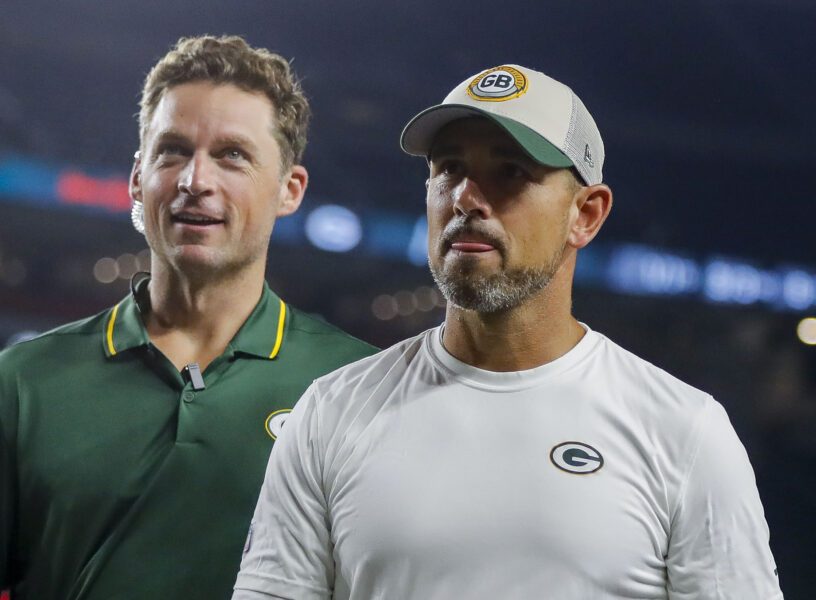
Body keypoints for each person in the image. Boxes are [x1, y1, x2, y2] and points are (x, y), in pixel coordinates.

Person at [232, 65, 783, 599]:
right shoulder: (331, 412)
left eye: (510, 173)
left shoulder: (684, 433)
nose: (467, 198)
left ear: (585, 215)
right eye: (448, 168)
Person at [0, 35, 375, 599]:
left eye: (233, 155)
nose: (194, 180)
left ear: (289, 190)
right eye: (172, 150)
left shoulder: (359, 385)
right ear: (137, 177)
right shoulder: (22, 382)